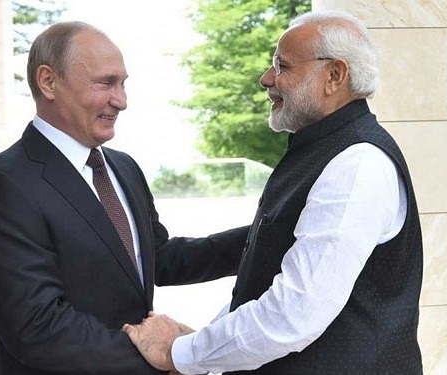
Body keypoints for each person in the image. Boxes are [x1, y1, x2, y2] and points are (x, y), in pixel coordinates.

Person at [123, 9, 424, 375]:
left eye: (282, 66)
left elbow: (292, 315)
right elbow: (263, 284)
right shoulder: (324, 151)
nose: (267, 78)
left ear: (334, 75)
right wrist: (200, 346)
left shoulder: (357, 163)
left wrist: (180, 353)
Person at [0, 21, 249, 375]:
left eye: (123, 83)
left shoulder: (122, 168)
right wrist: (168, 355)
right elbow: (39, 328)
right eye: (105, 83)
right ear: (48, 82)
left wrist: (263, 235)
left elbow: (160, 258)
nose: (121, 101)